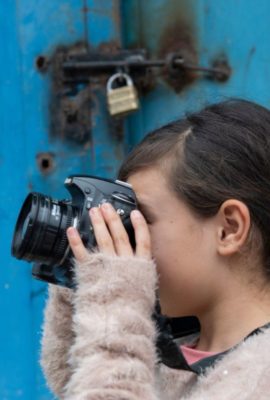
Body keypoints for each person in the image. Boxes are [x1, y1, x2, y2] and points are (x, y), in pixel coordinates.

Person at [40, 99, 270, 399]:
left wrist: (116, 308)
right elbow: (79, 382)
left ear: (229, 229)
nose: (128, 239)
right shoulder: (174, 355)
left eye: (142, 218)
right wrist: (84, 276)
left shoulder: (260, 374)